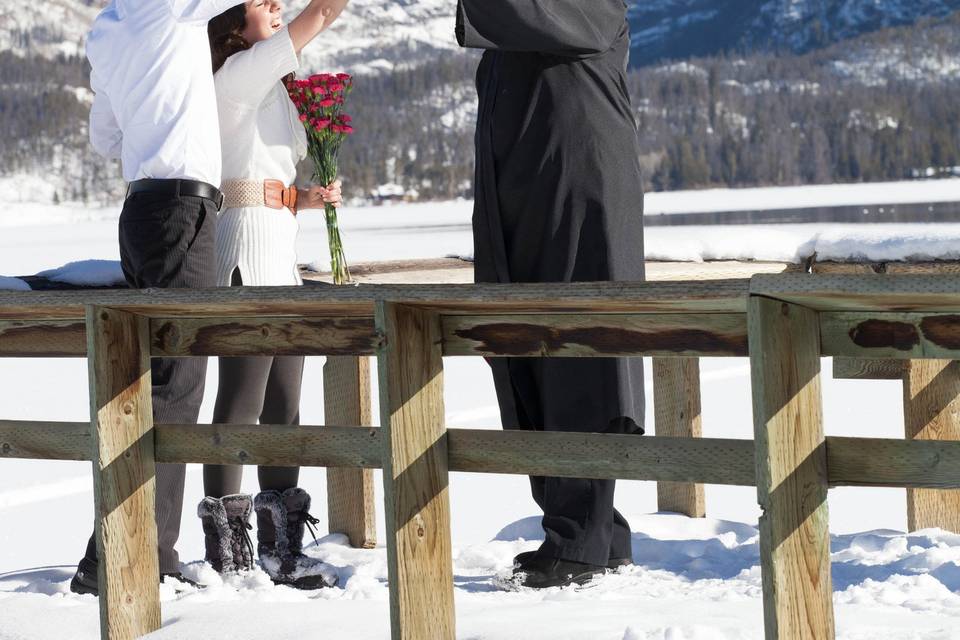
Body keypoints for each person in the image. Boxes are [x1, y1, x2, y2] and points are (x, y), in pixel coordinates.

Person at [456, 0, 647, 589]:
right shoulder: (520, 32)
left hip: (577, 187)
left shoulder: (590, 8)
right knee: (525, 347)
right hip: (523, 190)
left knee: (578, 349)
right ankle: (591, 529)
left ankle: (580, 535)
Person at [71, 0, 248, 596]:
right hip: (181, 210)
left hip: (141, 208)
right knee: (176, 383)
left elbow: (102, 137)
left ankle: (119, 545)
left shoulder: (109, 29)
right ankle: (140, 552)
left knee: (145, 384)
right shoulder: (172, 7)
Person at [196, 0, 347, 590]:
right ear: (234, 27)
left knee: (285, 398)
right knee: (243, 395)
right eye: (263, 3)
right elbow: (322, 14)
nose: (277, 6)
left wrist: (300, 198)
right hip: (244, 249)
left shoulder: (272, 86)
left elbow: (262, 167)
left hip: (279, 245)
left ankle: (281, 542)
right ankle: (227, 545)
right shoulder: (236, 74)